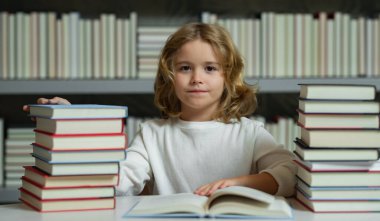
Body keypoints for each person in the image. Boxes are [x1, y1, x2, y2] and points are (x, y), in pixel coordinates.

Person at [23, 23, 296, 197]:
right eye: (185, 68)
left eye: (210, 68)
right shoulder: (152, 134)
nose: (197, 78)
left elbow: (291, 173)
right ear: (169, 75)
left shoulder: (249, 133)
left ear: (228, 76)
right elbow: (119, 182)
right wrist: (74, 124)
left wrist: (241, 183)